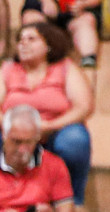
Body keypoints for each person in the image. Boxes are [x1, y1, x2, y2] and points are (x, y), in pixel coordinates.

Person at [1, 24, 92, 204]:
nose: (23, 43)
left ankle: (72, 201)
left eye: (31, 39)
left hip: (55, 130)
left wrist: (50, 126)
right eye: (20, 40)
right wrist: (11, 127)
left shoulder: (65, 67)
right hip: (14, 132)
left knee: (75, 140)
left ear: (48, 46)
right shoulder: (8, 69)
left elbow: (83, 107)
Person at [0, 105, 76, 212]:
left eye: (28, 142)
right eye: (16, 141)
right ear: (4, 135)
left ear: (37, 138)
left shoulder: (54, 166)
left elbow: (66, 208)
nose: (22, 149)